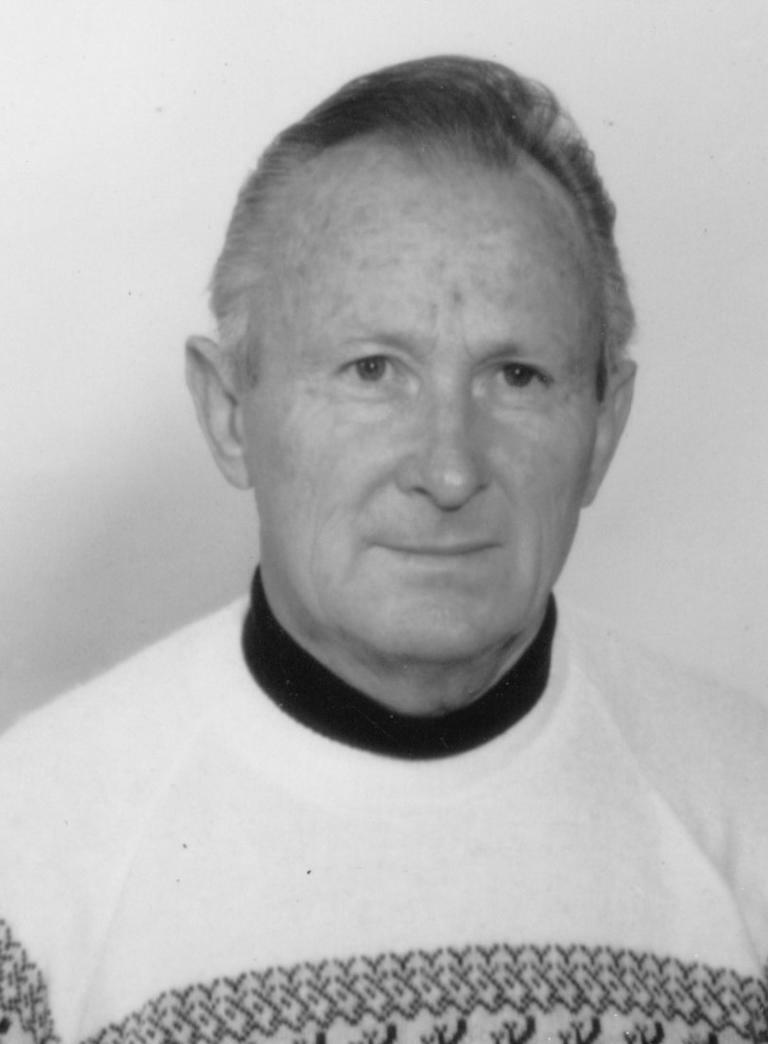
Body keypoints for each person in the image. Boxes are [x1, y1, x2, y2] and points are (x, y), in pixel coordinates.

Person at [0, 55, 765, 1044]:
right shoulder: (27, 860)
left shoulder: (748, 812)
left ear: (604, 428)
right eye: (372, 370)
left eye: (518, 377)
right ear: (229, 413)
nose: (449, 471)